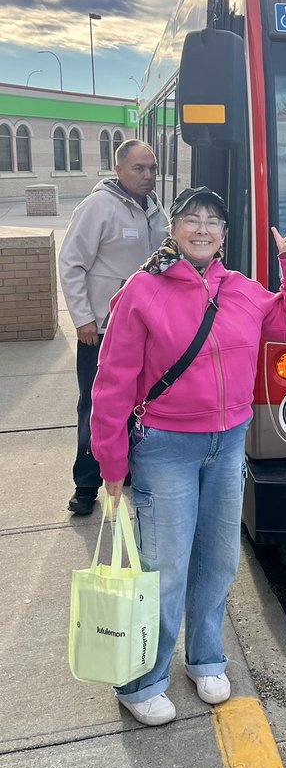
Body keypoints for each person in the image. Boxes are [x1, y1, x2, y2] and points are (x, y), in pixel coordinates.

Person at [89, 187, 286, 726]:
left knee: (217, 560)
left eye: (213, 221)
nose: (203, 228)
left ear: (223, 235)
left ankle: (206, 657)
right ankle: (141, 679)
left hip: (227, 441)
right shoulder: (140, 291)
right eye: (192, 218)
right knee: (163, 567)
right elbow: (112, 382)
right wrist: (111, 463)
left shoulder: (241, 289)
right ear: (174, 229)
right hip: (164, 446)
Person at [59, 140, 168, 515]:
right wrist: (83, 318)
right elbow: (71, 263)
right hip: (102, 331)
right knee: (96, 407)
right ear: (119, 169)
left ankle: (125, 471)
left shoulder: (156, 210)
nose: (148, 175)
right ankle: (87, 484)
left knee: (138, 404)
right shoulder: (98, 207)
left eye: (152, 168)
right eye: (139, 168)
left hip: (146, 330)